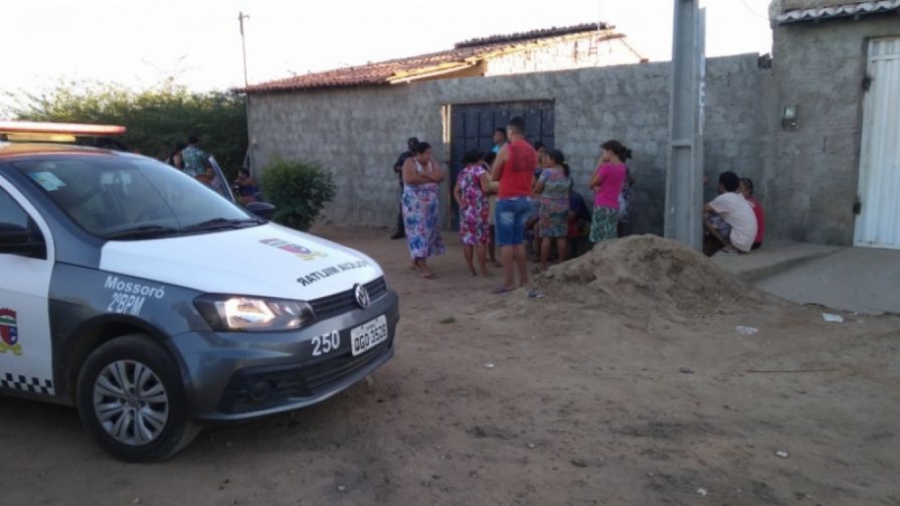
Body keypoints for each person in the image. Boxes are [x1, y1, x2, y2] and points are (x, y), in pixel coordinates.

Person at [490, 117, 535, 293]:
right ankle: (524, 280)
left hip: (507, 199)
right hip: (525, 199)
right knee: (518, 241)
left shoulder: (505, 149)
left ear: (511, 132)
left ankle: (509, 282)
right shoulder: (532, 150)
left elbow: (494, 175)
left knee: (506, 243)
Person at [402, 142, 446, 278]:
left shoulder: (432, 163)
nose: (429, 156)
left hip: (430, 207)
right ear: (419, 154)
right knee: (418, 233)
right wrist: (430, 176)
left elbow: (441, 177)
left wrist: (423, 175)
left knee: (428, 233)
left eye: (430, 153)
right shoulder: (410, 162)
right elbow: (410, 179)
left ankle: (416, 260)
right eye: (426, 153)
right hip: (414, 207)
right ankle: (423, 267)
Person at [453, 149, 492, 276]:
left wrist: (460, 203)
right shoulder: (481, 171)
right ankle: (483, 269)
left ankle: (471, 269)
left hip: (466, 210)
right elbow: (486, 188)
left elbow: (456, 190)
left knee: (467, 240)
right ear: (479, 159)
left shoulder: (463, 172)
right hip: (479, 209)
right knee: (480, 240)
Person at [534, 149, 573, 272]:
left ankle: (544, 266)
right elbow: (569, 190)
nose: (545, 161)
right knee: (561, 237)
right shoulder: (567, 173)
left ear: (553, 160)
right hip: (563, 209)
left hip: (548, 209)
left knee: (547, 237)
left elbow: (537, 189)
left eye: (547, 158)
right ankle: (561, 266)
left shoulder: (546, 173)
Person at [703, 171, 758, 256]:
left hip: (739, 241)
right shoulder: (738, 197)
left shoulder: (725, 198)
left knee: (706, 217)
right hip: (747, 243)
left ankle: (729, 247)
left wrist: (701, 184)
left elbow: (701, 208)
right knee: (716, 217)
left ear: (722, 185)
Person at [589, 140, 631, 243]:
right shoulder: (623, 168)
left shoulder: (606, 168)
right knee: (609, 237)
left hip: (602, 205)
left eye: (604, 152)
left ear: (610, 152)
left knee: (598, 238)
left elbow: (591, 183)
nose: (603, 155)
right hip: (614, 207)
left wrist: (598, 165)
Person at [392, 137, 419, 240]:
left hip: (418, 187)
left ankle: (415, 231)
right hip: (405, 187)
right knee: (403, 209)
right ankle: (401, 231)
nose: (412, 148)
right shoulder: (404, 156)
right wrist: (404, 168)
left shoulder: (420, 156)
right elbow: (395, 167)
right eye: (411, 146)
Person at [483, 151, 502, 268]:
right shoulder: (485, 172)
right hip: (490, 203)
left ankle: (489, 255)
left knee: (491, 232)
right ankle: (491, 256)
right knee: (490, 232)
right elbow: (487, 188)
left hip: (494, 202)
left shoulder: (493, 172)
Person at [739, 177, 765, 250]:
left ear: (749, 190)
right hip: (757, 241)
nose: (737, 191)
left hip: (751, 242)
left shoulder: (747, 204)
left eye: (740, 188)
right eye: (736, 188)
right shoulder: (753, 201)